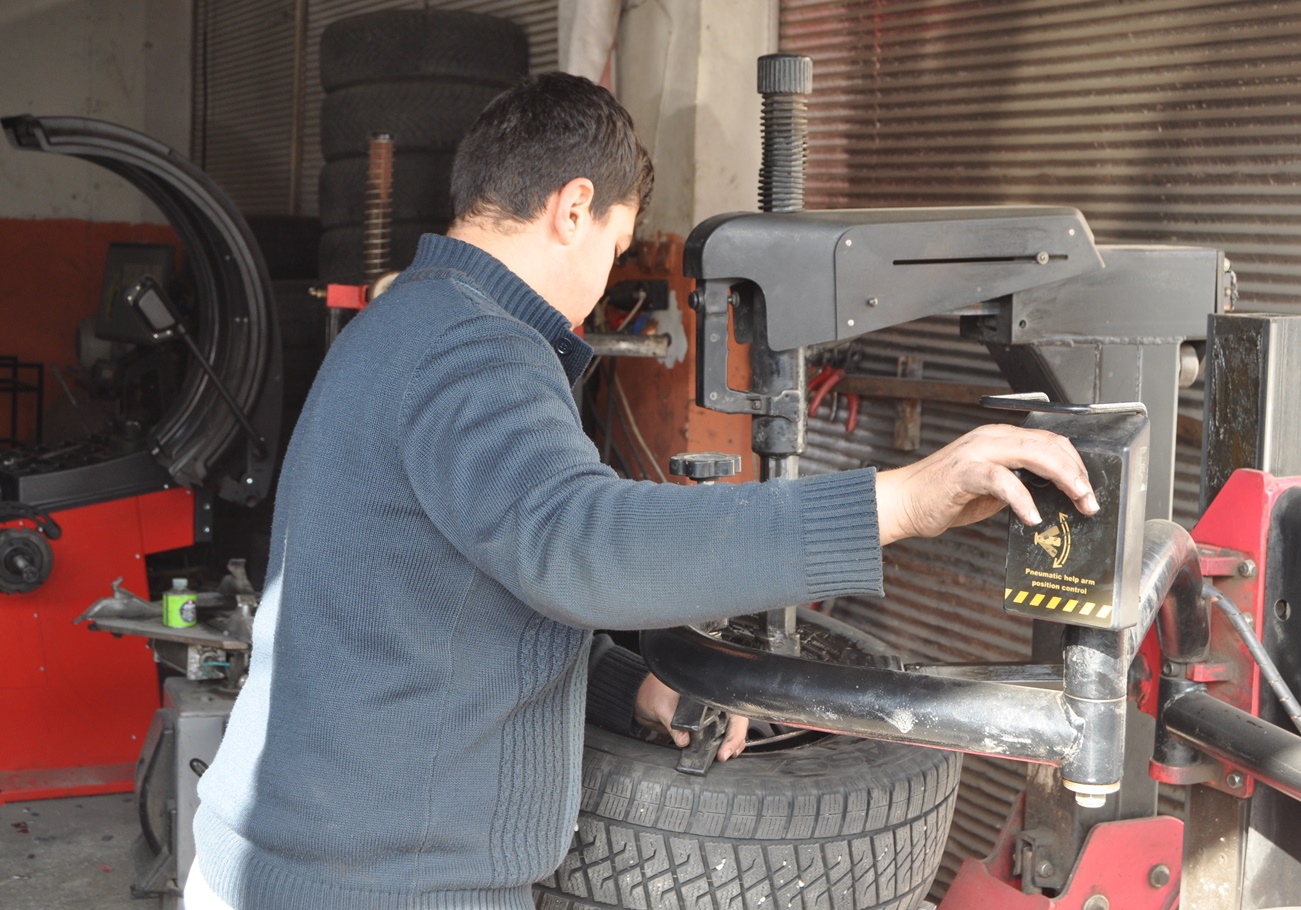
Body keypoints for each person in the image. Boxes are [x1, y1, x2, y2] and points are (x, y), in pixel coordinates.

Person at [188, 72, 1097, 910]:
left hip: (298, 859)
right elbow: (577, 544)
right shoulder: (479, 348)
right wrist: (895, 503)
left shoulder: (400, 327)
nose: (607, 280)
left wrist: (633, 688)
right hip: (373, 885)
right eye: (618, 246)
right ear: (573, 208)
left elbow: (440, 608)